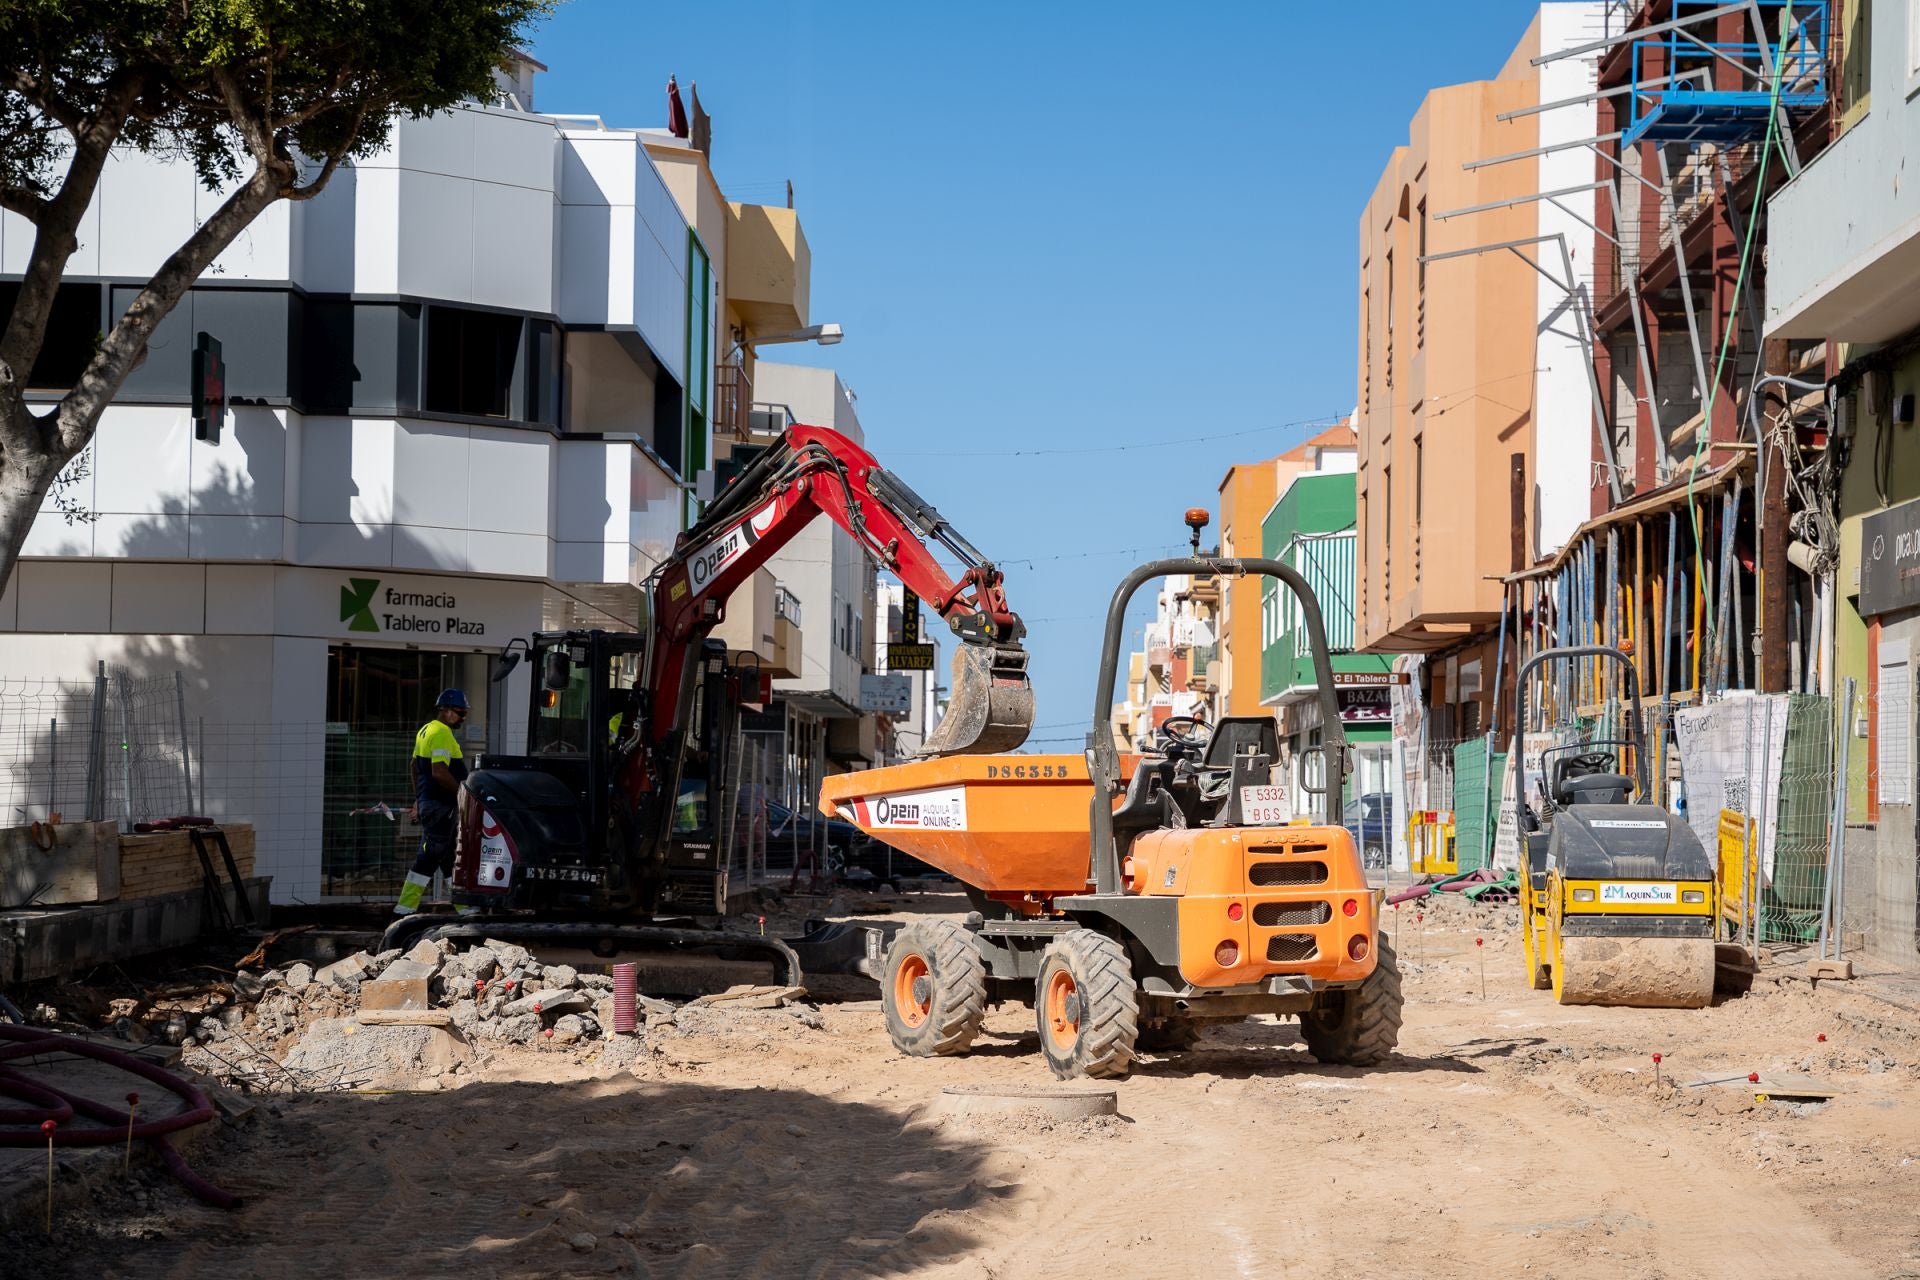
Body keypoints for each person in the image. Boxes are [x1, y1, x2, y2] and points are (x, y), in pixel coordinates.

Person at [395, 688, 470, 915]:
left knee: (448, 858)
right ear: (445, 711)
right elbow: (439, 772)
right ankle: (403, 910)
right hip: (441, 806)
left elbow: (414, 767)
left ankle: (466, 909)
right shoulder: (441, 733)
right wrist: (463, 794)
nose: (462, 718)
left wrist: (420, 799)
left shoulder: (425, 730)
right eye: (459, 712)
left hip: (433, 804)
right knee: (429, 857)